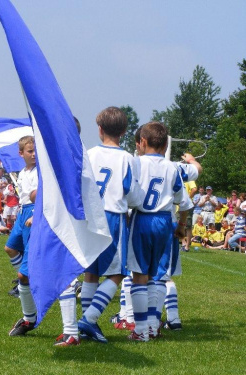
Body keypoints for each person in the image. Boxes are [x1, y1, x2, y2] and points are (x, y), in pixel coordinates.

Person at [77, 107, 144, 344]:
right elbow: (134, 195)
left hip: (89, 216)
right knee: (117, 273)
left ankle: (88, 324)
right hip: (113, 216)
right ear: (125, 132)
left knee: (91, 271)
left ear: (99, 129)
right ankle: (89, 319)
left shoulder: (89, 154)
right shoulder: (128, 158)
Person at [126, 122, 185, 342]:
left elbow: (128, 195)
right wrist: (181, 226)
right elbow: (184, 202)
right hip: (164, 221)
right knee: (159, 274)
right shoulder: (172, 167)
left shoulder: (136, 163)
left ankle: (141, 330)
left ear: (142, 142)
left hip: (142, 218)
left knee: (139, 275)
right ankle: (153, 325)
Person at [6, 136, 38, 337]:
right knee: (10, 248)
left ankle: (29, 318)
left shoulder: (39, 172)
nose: (34, 155)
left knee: (23, 275)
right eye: (30, 151)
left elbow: (42, 194)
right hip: (23, 212)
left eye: (35, 151)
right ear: (21, 154)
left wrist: (37, 215)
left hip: (34, 212)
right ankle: (28, 284)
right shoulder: (24, 172)